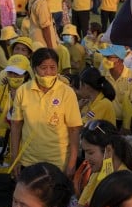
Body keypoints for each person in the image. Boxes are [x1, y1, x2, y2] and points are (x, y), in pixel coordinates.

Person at [8, 47, 81, 178]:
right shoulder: (23, 91)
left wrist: (72, 162)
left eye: (52, 68)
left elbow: (74, 129)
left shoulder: (67, 92)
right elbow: (16, 126)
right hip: (29, 161)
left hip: (58, 162)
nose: (48, 72)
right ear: (34, 68)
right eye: (43, 68)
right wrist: (15, 158)